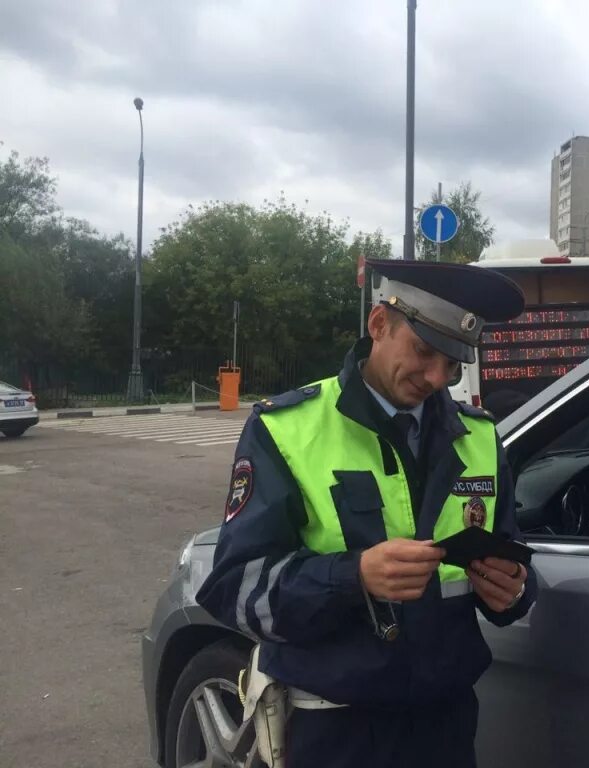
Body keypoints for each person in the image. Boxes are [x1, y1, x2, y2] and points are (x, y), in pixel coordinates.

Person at [195, 258, 536, 768]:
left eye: (454, 364)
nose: (437, 377)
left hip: (445, 730)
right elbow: (236, 588)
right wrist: (354, 576)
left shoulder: (481, 437)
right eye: (424, 351)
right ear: (379, 325)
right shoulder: (286, 430)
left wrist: (514, 590)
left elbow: (511, 559)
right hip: (335, 732)